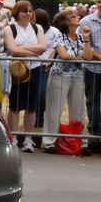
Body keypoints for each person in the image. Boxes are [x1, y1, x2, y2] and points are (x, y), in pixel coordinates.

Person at [43, 12, 92, 155]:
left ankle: (80, 141)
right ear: (65, 22)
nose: (77, 17)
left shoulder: (81, 37)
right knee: (54, 109)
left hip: (77, 76)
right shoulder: (59, 36)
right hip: (60, 75)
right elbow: (63, 55)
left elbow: (88, 56)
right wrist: (81, 59)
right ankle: (49, 142)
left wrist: (87, 40)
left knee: (79, 110)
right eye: (72, 16)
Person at [2, 0, 47, 152]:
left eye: (30, 11)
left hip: (34, 69)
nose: (28, 14)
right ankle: (13, 137)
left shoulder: (37, 28)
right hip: (17, 69)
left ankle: (29, 138)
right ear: (17, 13)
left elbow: (43, 47)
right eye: (25, 11)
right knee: (14, 105)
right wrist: (33, 51)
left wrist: (22, 49)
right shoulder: (9, 29)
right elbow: (13, 50)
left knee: (31, 106)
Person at [81, 0, 101, 153]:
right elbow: (84, 47)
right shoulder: (86, 22)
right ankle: (94, 132)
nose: (100, 5)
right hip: (93, 69)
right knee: (92, 100)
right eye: (98, 2)